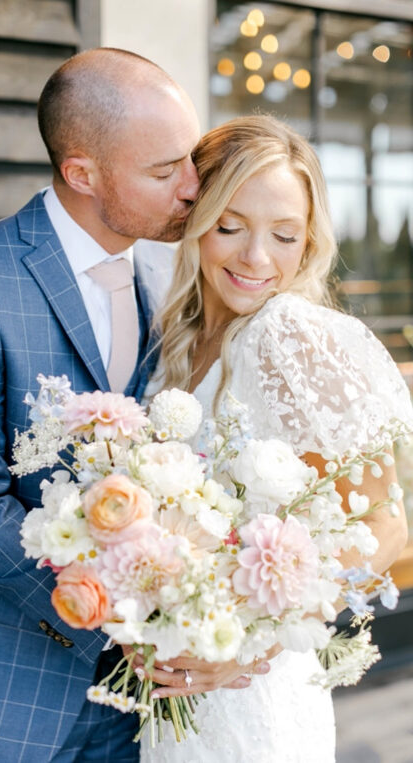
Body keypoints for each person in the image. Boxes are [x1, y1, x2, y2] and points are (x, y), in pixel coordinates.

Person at [0, 48, 215, 762]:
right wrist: (116, 614)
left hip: (137, 699)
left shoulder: (170, 282)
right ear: (82, 172)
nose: (195, 186)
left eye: (191, 160)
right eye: (166, 171)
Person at [140, 115, 411, 762]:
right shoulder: (179, 338)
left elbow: (387, 525)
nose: (256, 258)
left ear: (309, 240)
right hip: (176, 680)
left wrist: (248, 639)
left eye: (284, 235)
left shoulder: (290, 334)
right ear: (195, 219)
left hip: (250, 687)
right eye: (230, 227)